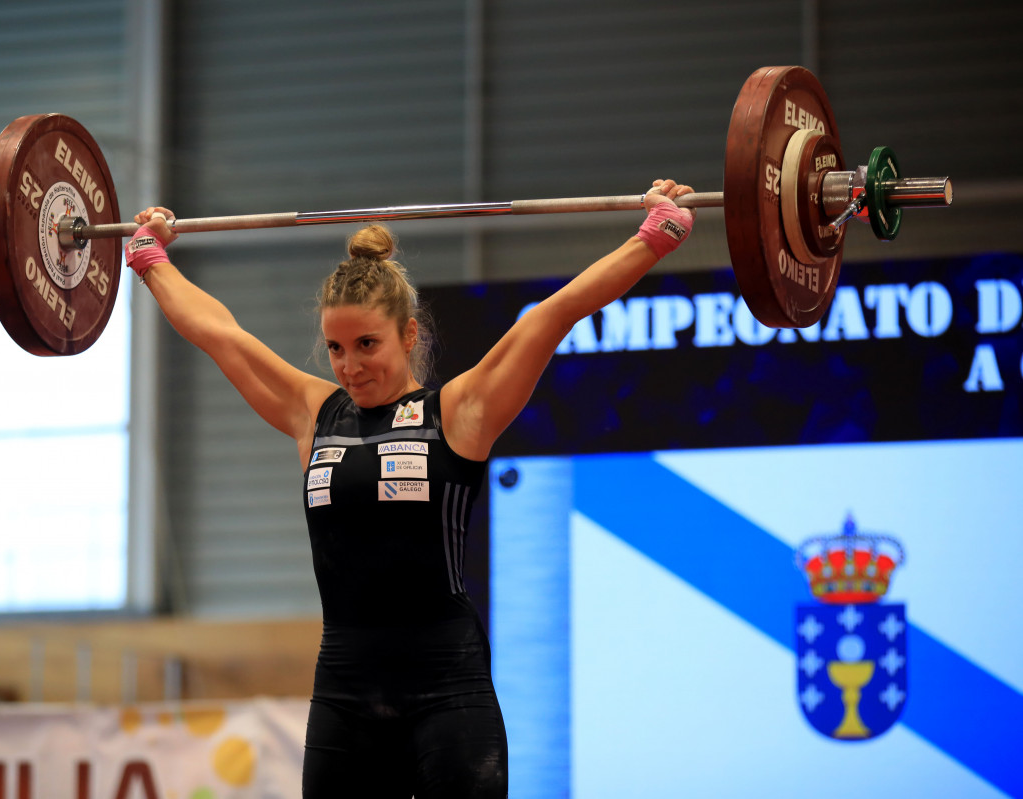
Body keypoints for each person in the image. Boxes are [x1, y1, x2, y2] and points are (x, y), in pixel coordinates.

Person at [126, 179, 696, 798]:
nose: (350, 366)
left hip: (448, 691)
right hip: (345, 693)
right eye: (338, 349)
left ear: (409, 336)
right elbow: (219, 333)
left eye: (367, 344)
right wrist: (150, 258)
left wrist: (656, 236)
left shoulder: (461, 410)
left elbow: (556, 312)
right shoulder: (313, 413)